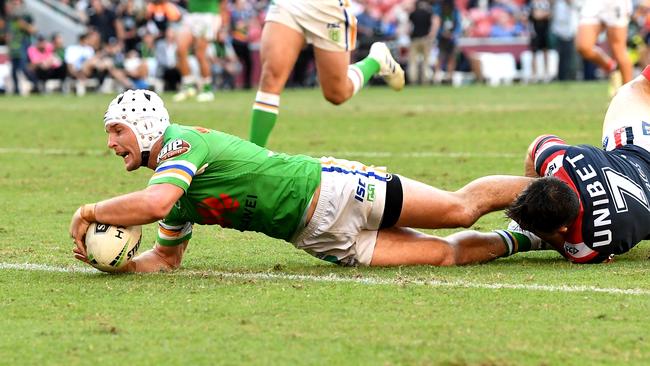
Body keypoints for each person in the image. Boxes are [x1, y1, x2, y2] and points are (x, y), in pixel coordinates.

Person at [69, 90, 532, 272]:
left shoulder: (181, 143)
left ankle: (560, 181)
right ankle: (526, 242)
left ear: (144, 125)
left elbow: (153, 204)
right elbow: (167, 259)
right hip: (318, 238)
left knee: (459, 208)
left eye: (116, 130)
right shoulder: (169, 192)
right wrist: (118, 264)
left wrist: (89, 212)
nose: (111, 142)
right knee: (445, 255)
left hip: (334, 189)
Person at [505, 65, 650, 263]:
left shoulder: (587, 247)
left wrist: (537, 220)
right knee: (637, 87)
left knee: (637, 87)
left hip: (637, 154)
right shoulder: (565, 161)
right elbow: (538, 145)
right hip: (638, 148)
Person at [248, 0, 406, 148]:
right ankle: (253, 161)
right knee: (270, 78)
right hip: (289, 4)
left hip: (328, 8)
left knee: (336, 93)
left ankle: (376, 60)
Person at [574, 0, 633, 96]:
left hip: (616, 3)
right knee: (583, 47)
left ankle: (628, 97)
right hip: (594, 3)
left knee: (618, 50)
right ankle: (613, 68)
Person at [172, 0, 223, 102]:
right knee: (180, 50)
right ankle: (188, 85)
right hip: (191, 16)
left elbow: (223, 4)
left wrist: (220, 25)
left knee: (200, 54)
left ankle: (207, 89)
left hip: (209, 16)